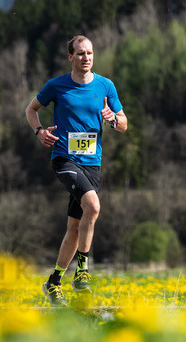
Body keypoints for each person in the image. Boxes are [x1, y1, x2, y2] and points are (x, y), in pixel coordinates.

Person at [25, 35, 127, 306]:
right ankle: (82, 272)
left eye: (90, 53)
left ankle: (53, 282)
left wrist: (113, 119)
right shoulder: (57, 86)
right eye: (80, 53)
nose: (86, 58)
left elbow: (124, 123)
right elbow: (31, 109)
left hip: (92, 163)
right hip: (64, 159)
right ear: (70, 57)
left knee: (74, 228)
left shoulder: (105, 86)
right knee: (92, 206)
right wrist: (39, 131)